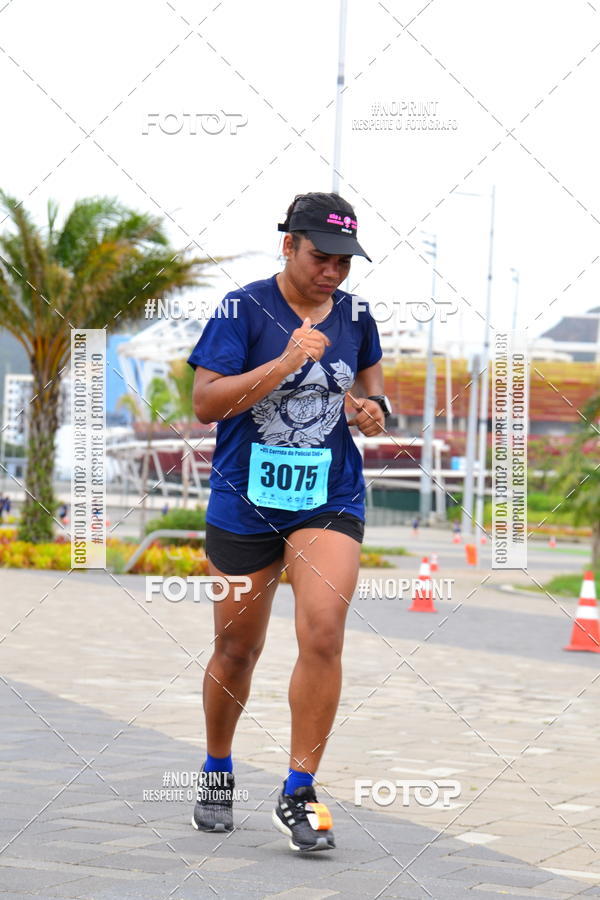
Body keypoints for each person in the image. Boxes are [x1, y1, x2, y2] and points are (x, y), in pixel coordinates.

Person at [186, 192, 391, 852]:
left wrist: (370, 410)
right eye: (320, 257)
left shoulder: (357, 314)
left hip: (327, 496)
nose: (332, 272)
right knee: (237, 649)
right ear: (288, 246)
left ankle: (299, 791)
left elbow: (369, 384)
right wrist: (282, 363)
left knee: (324, 631)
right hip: (245, 499)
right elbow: (207, 405)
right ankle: (218, 769)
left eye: (343, 261)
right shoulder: (242, 309)